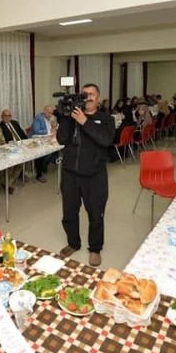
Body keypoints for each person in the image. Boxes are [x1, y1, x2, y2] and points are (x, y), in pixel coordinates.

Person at [56, 83, 115, 267]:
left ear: (98, 98)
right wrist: (66, 118)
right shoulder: (72, 116)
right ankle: (73, 243)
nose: (88, 97)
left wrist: (85, 122)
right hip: (70, 174)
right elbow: (61, 139)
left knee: (96, 214)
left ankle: (95, 249)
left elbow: (105, 140)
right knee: (69, 212)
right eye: (85, 94)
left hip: (94, 175)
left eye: (92, 94)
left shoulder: (106, 119)